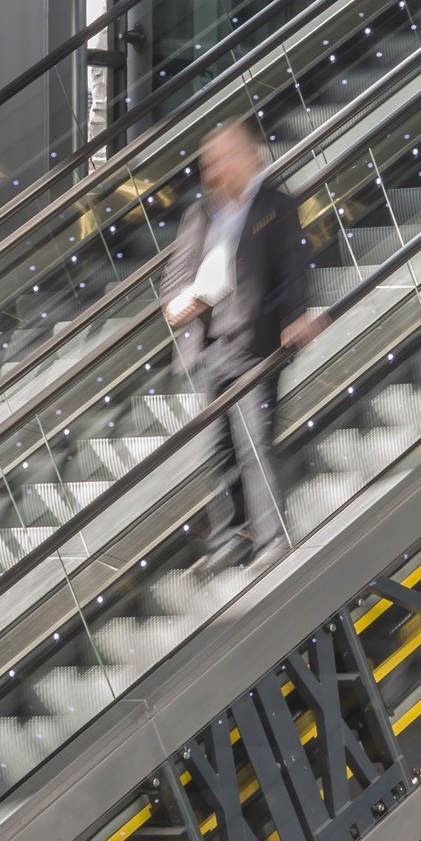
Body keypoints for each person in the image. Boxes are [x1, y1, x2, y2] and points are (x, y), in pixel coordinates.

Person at [163, 118, 324, 572]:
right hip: (212, 346)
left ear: (251, 157)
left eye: (221, 157)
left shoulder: (275, 205)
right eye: (209, 161)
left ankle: (271, 538)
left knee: (255, 443)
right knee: (220, 450)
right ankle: (227, 539)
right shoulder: (200, 214)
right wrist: (179, 304)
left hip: (258, 344)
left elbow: (295, 264)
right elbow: (176, 277)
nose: (212, 168)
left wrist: (295, 316)